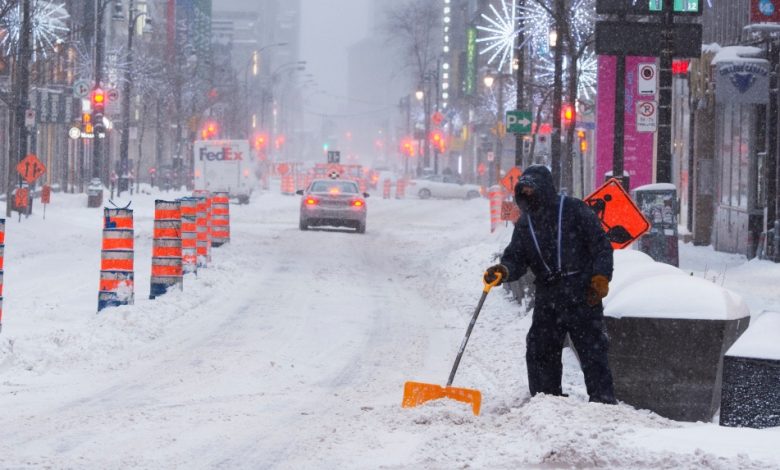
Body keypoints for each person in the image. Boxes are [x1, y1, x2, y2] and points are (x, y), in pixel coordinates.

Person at [484, 165, 618, 404]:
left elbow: (601, 246)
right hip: (548, 294)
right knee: (539, 348)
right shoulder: (525, 222)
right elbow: (516, 256)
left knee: (591, 348)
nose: (526, 194)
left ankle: (602, 401)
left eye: (530, 189)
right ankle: (546, 400)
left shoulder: (575, 209)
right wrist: (503, 270)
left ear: (544, 189)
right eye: (522, 190)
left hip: (582, 291)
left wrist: (600, 277)